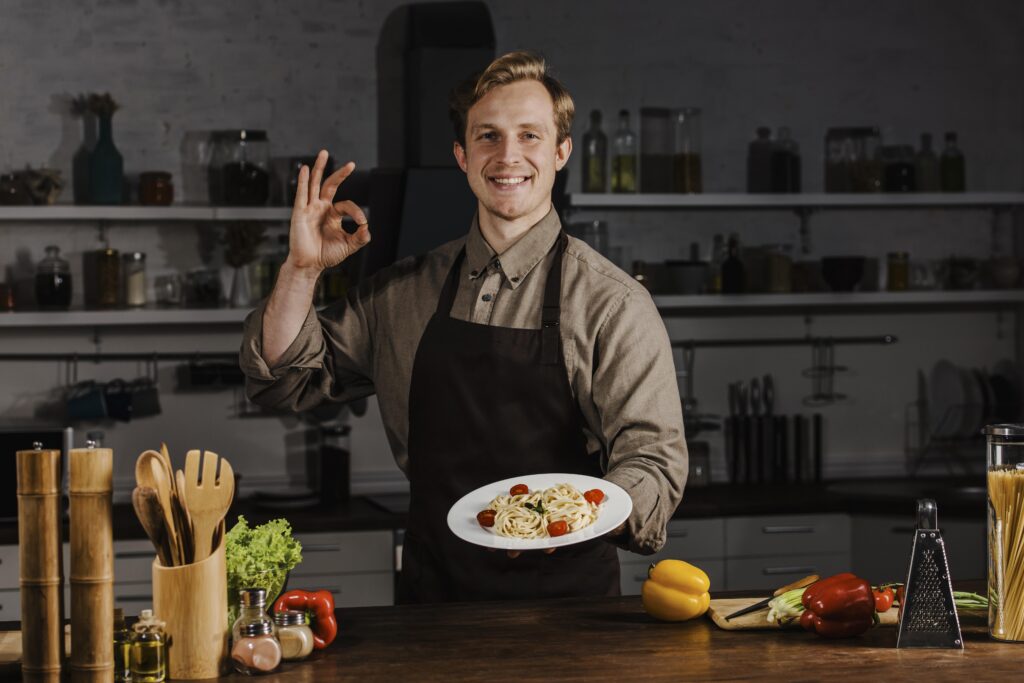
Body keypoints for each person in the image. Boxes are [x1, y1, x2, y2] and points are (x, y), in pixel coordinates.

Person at [240, 50, 687, 604]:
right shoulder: (401, 293)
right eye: (488, 136)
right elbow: (285, 375)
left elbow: (653, 461)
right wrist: (301, 269)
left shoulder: (612, 303)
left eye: (529, 135)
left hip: (568, 610)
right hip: (432, 602)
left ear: (561, 152)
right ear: (462, 155)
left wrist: (573, 518)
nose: (508, 156)